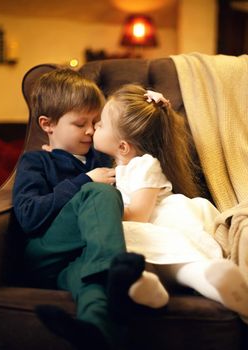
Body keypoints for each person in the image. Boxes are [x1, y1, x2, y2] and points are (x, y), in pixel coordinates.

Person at [12, 70, 165, 350]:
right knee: (99, 192)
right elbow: (28, 216)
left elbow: (138, 153)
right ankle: (116, 269)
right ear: (48, 124)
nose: (91, 130)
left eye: (96, 121)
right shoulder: (36, 162)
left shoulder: (104, 156)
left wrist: (154, 110)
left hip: (84, 260)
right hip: (47, 254)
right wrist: (84, 180)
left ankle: (94, 333)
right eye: (80, 123)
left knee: (94, 286)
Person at [92, 84, 248, 317]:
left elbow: (139, 214)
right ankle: (147, 285)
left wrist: (102, 210)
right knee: (148, 259)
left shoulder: (143, 165)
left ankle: (215, 281)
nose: (94, 127)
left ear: (122, 146)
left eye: (100, 124)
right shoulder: (121, 165)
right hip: (148, 223)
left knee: (176, 261)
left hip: (158, 221)